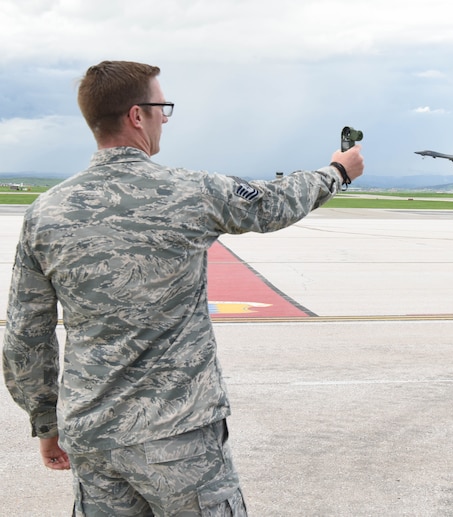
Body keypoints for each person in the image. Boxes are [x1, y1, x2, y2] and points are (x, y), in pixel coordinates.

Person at [3, 60, 364, 516]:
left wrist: (45, 422)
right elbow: (272, 204)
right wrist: (337, 172)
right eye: (161, 106)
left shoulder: (45, 212)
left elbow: (24, 335)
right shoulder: (189, 191)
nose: (165, 118)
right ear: (137, 115)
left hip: (92, 437)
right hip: (178, 436)